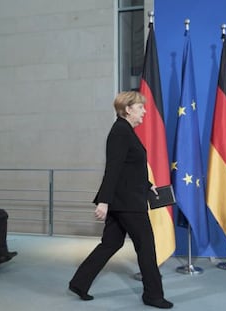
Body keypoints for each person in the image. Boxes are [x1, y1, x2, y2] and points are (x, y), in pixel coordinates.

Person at [68, 91, 173, 309]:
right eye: (140, 107)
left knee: (111, 243)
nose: (144, 111)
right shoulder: (120, 132)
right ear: (127, 109)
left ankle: (79, 283)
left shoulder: (125, 131)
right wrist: (103, 201)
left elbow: (128, 169)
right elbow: (113, 169)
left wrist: (147, 185)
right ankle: (153, 295)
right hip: (128, 204)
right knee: (146, 247)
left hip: (124, 199)